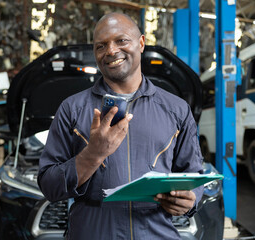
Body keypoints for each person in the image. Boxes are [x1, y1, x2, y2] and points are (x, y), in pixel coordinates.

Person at [38, 12, 203, 240]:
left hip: (156, 234)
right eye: (100, 46)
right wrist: (92, 155)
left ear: (141, 43)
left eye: (121, 40)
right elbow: (49, 185)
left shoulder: (176, 109)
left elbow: (193, 173)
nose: (111, 51)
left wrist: (191, 197)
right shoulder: (72, 109)